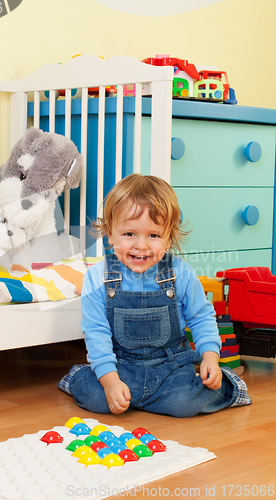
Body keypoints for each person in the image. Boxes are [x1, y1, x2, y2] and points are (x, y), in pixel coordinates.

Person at [58, 174, 251, 416]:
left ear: (168, 237)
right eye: (129, 234)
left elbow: (201, 317)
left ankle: (227, 384)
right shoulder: (98, 277)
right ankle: (81, 376)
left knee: (183, 404)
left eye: (154, 235)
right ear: (110, 234)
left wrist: (210, 358)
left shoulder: (180, 272)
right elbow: (96, 331)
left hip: (170, 368)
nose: (142, 245)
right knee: (96, 398)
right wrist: (109, 381)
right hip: (119, 366)